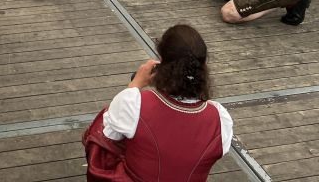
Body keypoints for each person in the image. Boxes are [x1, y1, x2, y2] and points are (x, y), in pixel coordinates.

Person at [85, 24, 232, 181]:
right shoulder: (219, 118)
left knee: (110, 126)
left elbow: (105, 139)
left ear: (162, 64)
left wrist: (134, 86)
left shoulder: (135, 103)